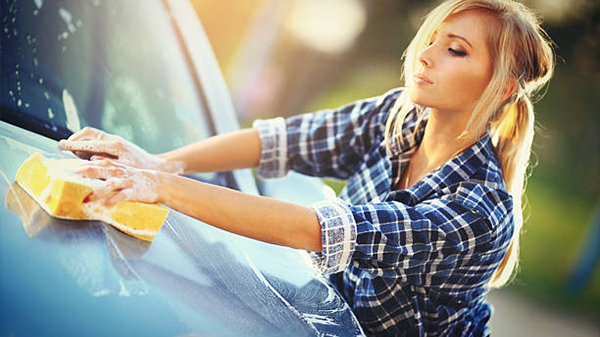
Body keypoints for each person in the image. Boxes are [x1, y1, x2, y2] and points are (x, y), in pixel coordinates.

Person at [59, 0, 555, 335]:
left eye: (455, 50)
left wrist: (159, 185)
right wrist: (162, 160)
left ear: (503, 86)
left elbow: (312, 230)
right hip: (324, 317)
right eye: (433, 38)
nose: (425, 56)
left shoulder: (478, 212)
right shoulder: (399, 115)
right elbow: (280, 142)